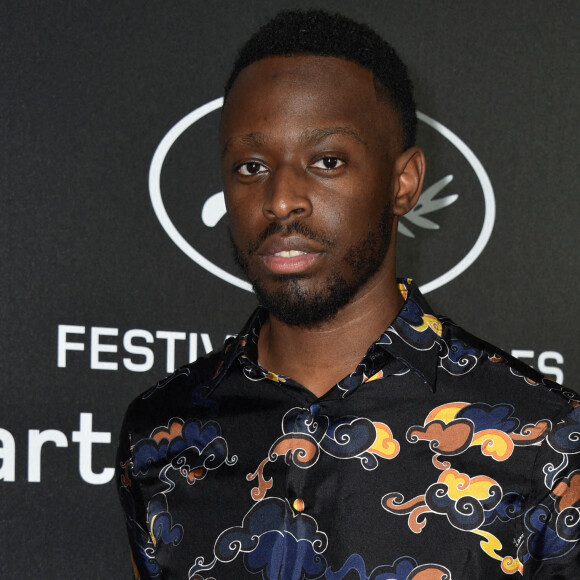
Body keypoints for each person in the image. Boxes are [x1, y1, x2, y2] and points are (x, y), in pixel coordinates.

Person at [117, 10, 580, 579]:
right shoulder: (158, 434)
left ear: (402, 183)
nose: (281, 198)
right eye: (251, 165)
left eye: (328, 161)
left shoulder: (550, 444)